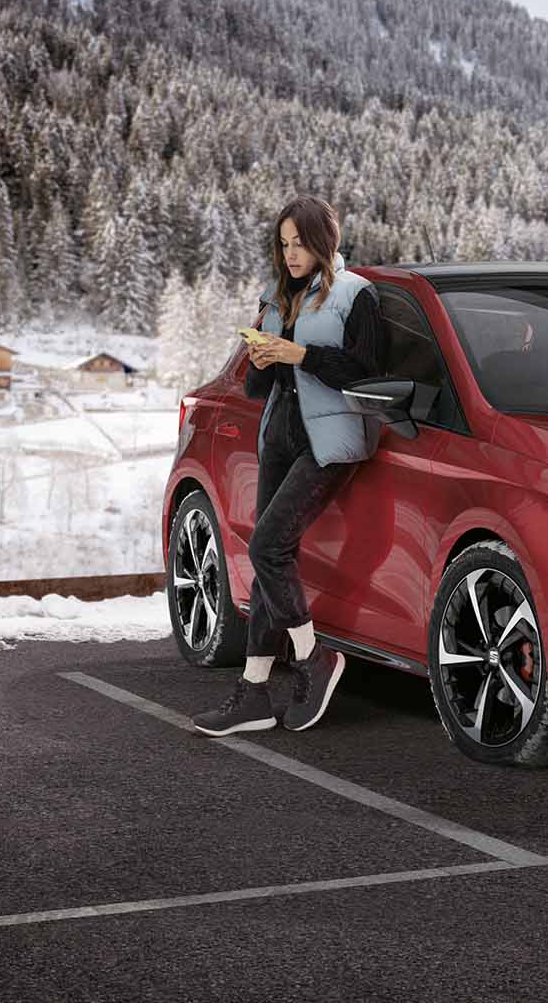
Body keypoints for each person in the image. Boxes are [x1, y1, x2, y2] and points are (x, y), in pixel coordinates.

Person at [190, 195, 388, 737]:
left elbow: (368, 371)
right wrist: (261, 359)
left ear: (326, 240)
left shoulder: (355, 296)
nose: (291, 253)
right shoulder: (275, 299)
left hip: (329, 439)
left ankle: (313, 656)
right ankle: (253, 693)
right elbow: (260, 387)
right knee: (270, 562)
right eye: (283, 243)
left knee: (266, 547)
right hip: (278, 435)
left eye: (300, 242)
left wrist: (299, 355)